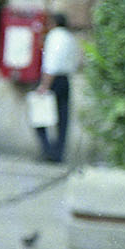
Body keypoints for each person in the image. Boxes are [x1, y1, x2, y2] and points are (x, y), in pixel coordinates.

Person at [35, 12, 80, 163]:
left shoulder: (54, 36)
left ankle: (49, 150)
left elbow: (51, 63)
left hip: (52, 79)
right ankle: (58, 152)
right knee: (62, 118)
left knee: (40, 117)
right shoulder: (70, 37)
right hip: (65, 79)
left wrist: (44, 85)